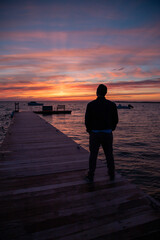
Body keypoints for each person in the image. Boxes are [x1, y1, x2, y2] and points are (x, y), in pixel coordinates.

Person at [85, 84, 118, 183]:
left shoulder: (91, 105)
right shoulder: (112, 105)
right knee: (109, 155)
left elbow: (87, 120)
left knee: (93, 155)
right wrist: (111, 128)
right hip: (107, 133)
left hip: (95, 134)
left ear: (97, 92)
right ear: (105, 93)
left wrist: (89, 130)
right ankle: (111, 174)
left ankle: (91, 175)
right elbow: (115, 119)